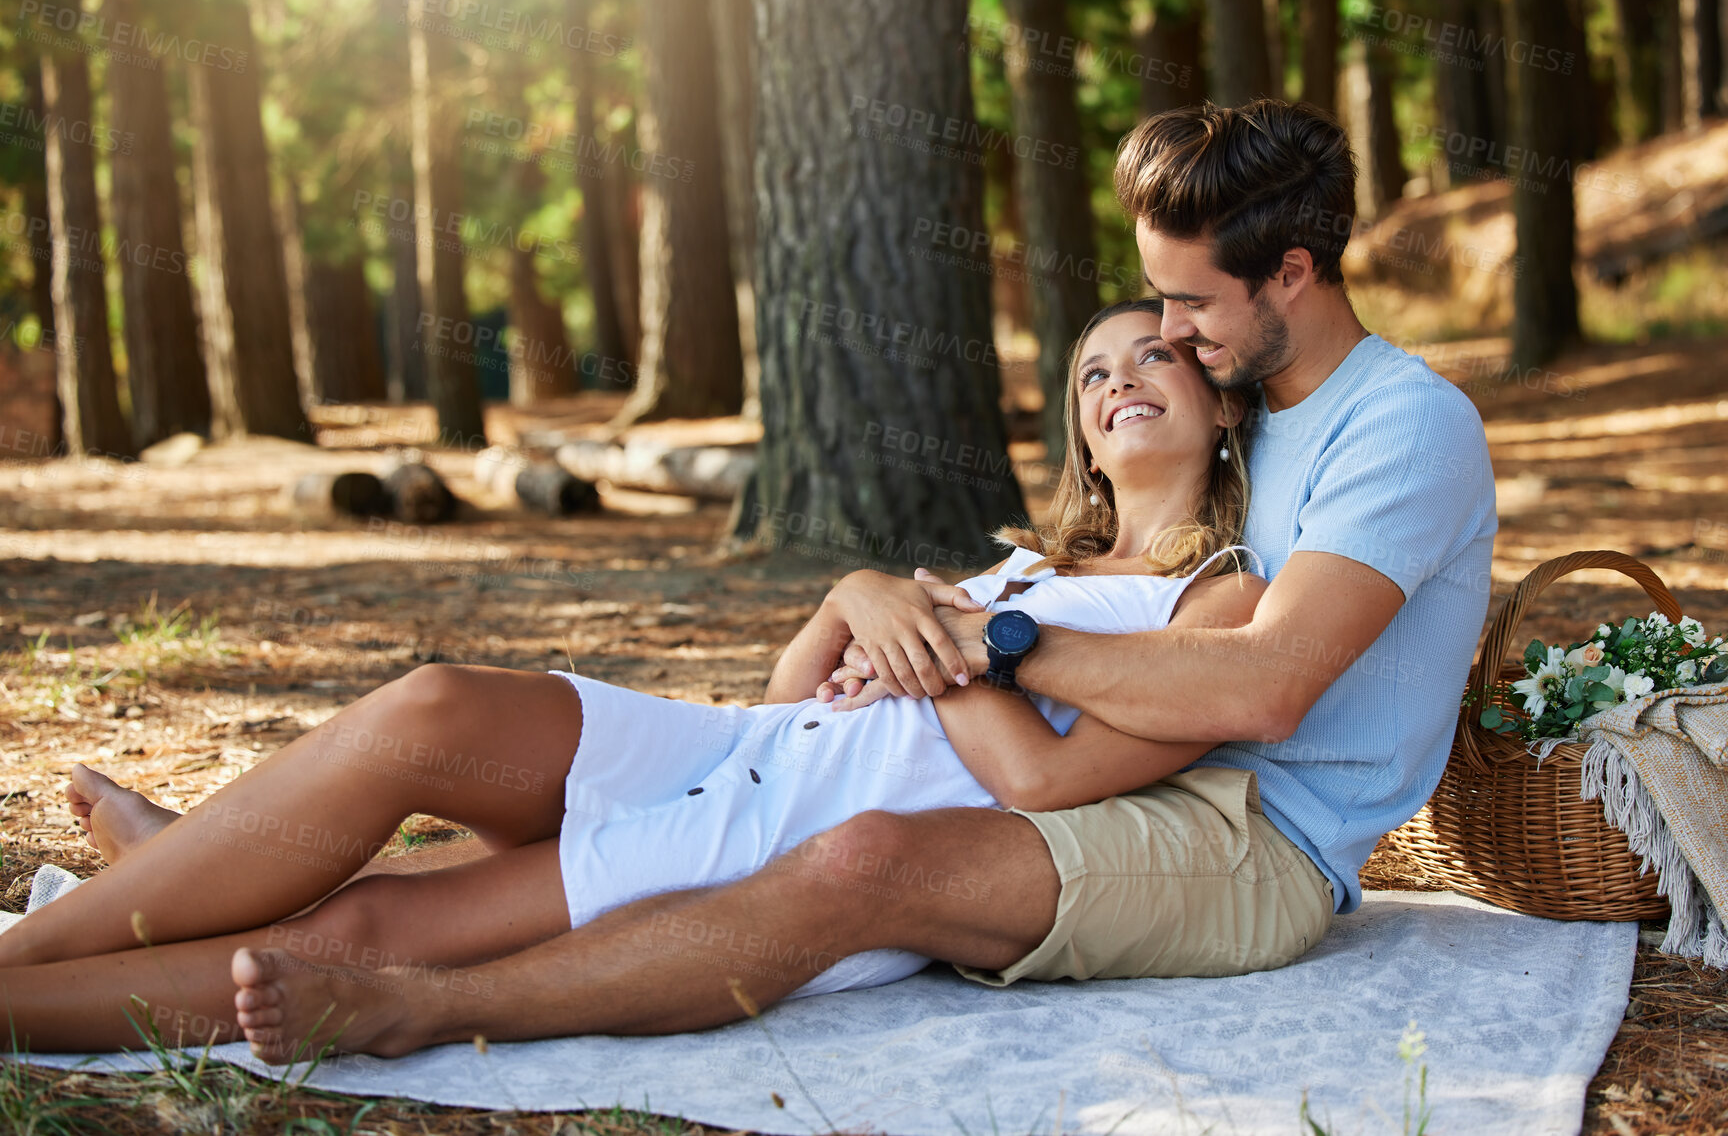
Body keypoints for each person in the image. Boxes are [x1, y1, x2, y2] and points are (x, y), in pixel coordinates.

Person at [0, 298, 1273, 1057]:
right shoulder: (1019, 565)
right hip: (737, 748)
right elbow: (791, 698)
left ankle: (32, 990)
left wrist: (941, 657)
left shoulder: (1215, 595)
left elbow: (1047, 782)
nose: (1118, 383)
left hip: (790, 835)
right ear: (1080, 435)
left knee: (361, 931)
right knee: (436, 705)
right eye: (1094, 372)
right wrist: (848, 600)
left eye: (1151, 359)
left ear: (1219, 408)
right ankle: (111, 907)